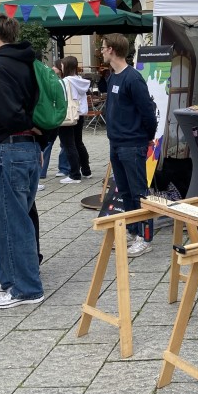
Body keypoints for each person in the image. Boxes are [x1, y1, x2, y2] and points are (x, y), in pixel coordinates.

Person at [0, 12, 46, 309]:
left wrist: (24, 125)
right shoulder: (28, 62)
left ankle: (25, 289)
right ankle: (10, 280)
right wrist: (35, 131)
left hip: (8, 150)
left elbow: (7, 114)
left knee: (11, 223)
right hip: (26, 149)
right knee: (12, 221)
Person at [101, 33, 157, 257]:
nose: (101, 51)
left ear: (112, 49)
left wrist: (147, 136)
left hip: (132, 144)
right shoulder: (112, 77)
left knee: (138, 192)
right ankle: (134, 231)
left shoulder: (133, 78)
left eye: (103, 47)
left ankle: (145, 237)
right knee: (125, 191)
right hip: (116, 143)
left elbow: (148, 112)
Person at [59, 56, 92, 183]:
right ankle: (86, 170)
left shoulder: (65, 81)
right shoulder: (80, 80)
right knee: (78, 143)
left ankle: (74, 174)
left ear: (66, 66)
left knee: (69, 144)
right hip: (80, 114)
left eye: (62, 65)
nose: (61, 67)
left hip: (68, 116)